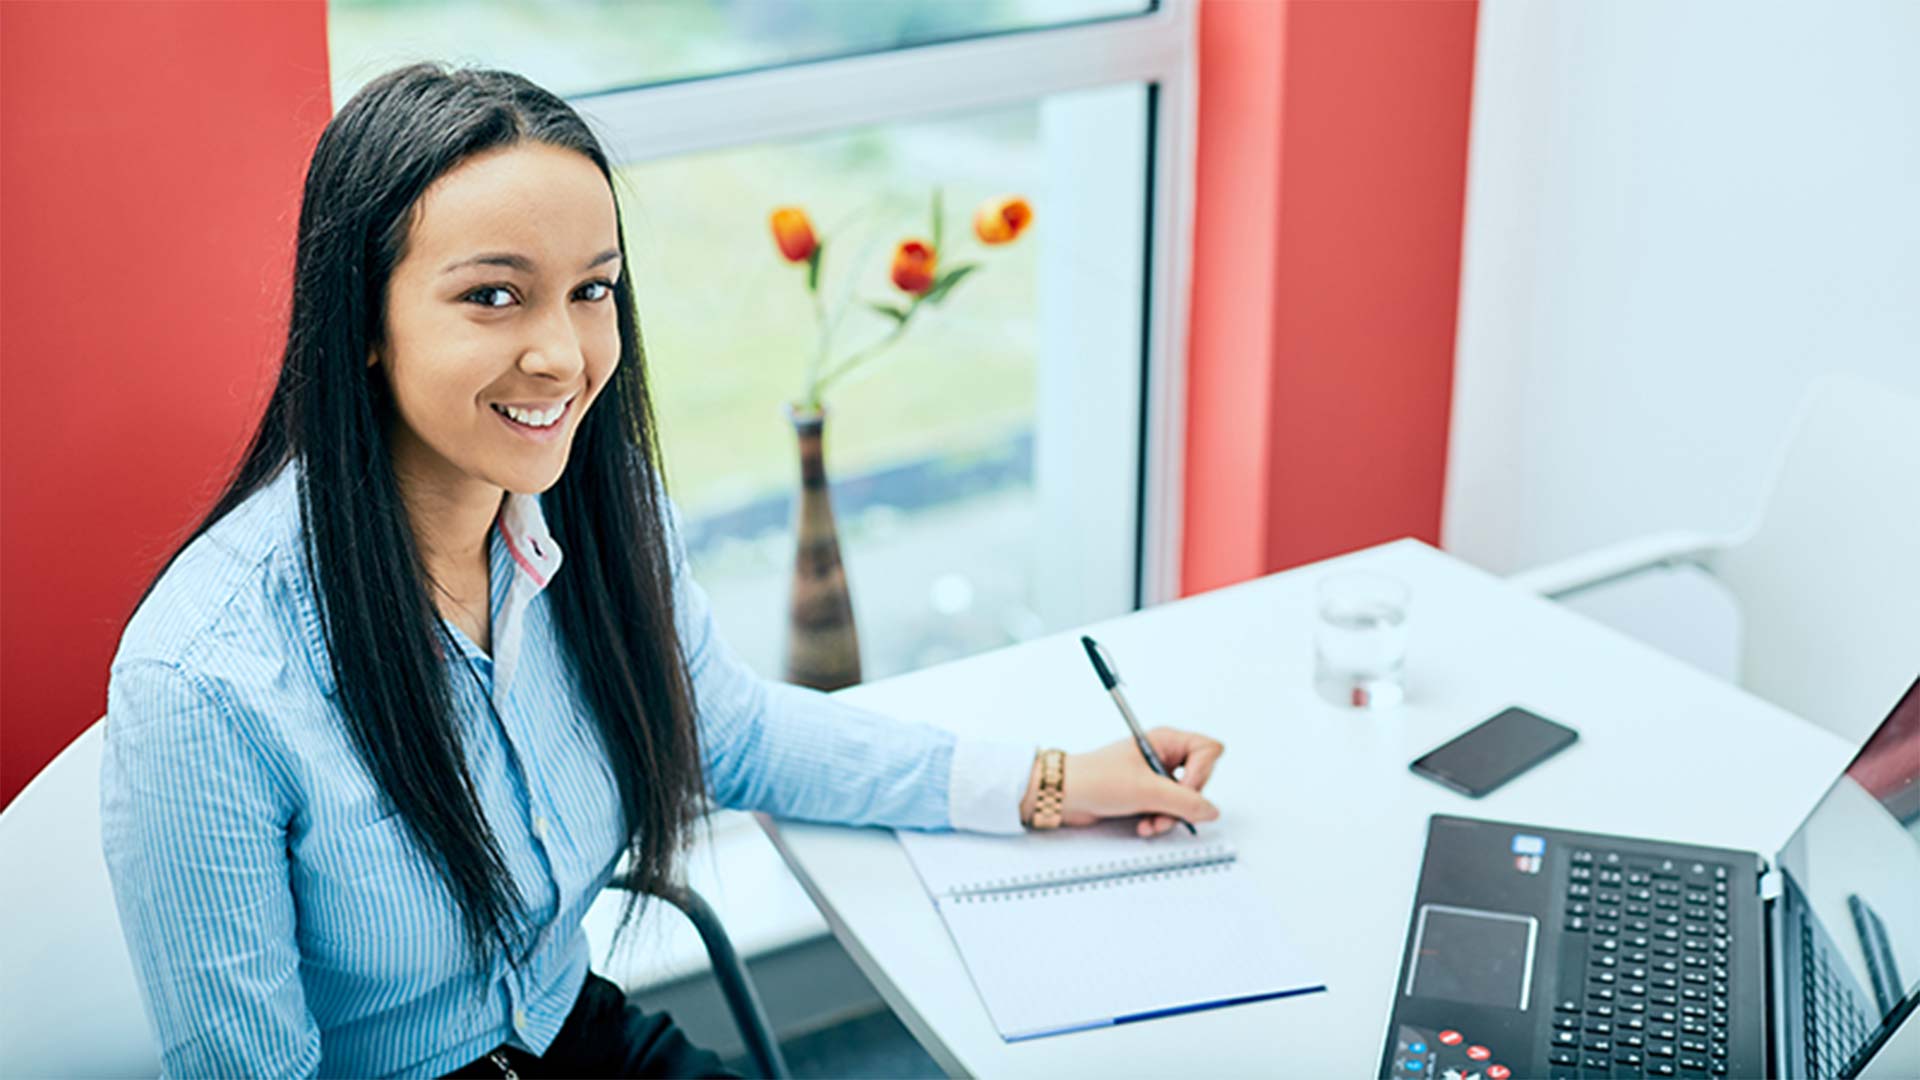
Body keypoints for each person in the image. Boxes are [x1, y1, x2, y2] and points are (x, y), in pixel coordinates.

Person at [100, 62, 1225, 1079]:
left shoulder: (601, 503)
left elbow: (729, 735)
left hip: (575, 1036)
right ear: (363, 321)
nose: (564, 354)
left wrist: (1055, 783)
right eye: (493, 295)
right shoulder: (208, 679)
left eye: (593, 290)